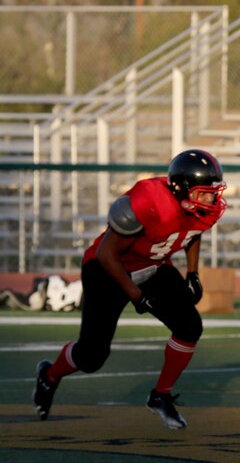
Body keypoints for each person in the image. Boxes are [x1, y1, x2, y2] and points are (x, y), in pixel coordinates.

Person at [32, 149, 228, 430]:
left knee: (189, 327)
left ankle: (160, 395)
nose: (212, 198)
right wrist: (138, 295)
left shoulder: (200, 205)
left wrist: (193, 272)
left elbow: (192, 232)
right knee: (92, 356)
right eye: (204, 192)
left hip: (153, 265)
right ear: (180, 189)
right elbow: (106, 254)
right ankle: (49, 375)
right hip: (108, 270)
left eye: (213, 191)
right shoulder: (147, 202)